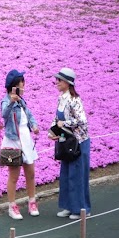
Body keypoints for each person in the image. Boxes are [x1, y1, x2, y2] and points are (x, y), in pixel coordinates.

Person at [48, 68, 90, 219]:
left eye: (59, 80)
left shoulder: (74, 100)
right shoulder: (61, 98)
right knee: (66, 174)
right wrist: (53, 132)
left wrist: (63, 123)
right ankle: (68, 206)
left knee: (77, 174)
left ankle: (80, 209)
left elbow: (82, 121)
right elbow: (56, 119)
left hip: (78, 142)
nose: (56, 82)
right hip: (66, 141)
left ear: (68, 82)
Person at [1, 70, 40, 220]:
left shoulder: (22, 101)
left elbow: (29, 115)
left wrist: (34, 126)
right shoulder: (6, 101)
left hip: (26, 139)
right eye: (20, 84)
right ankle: (12, 206)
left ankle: (32, 202)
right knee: (14, 176)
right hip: (13, 141)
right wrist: (11, 102)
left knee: (30, 173)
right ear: (13, 87)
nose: (23, 86)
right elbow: (4, 115)